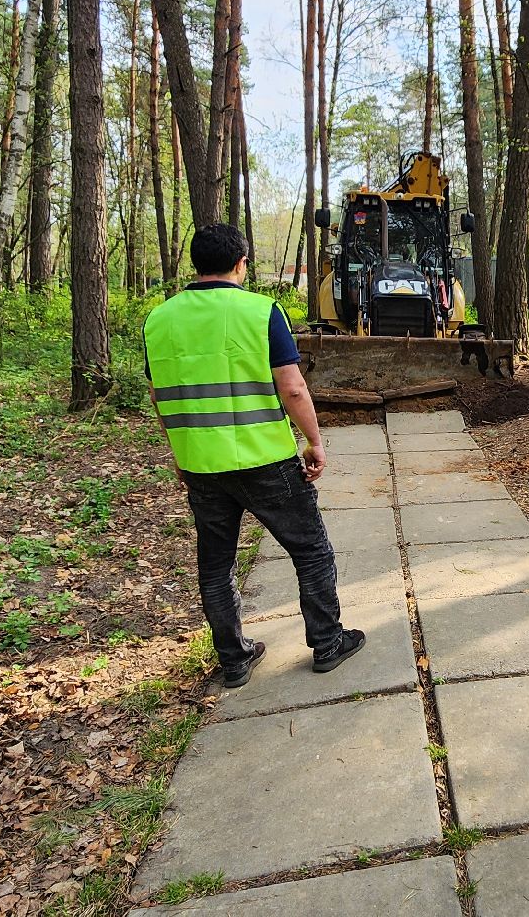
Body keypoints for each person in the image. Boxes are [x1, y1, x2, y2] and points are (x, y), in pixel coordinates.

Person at [144, 224, 365, 689]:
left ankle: (233, 659)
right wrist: (315, 441)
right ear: (242, 263)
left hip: (202, 467)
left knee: (217, 564)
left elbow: (159, 396)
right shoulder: (260, 311)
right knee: (310, 550)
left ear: (195, 264)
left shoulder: (159, 320)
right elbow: (291, 385)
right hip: (267, 461)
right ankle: (327, 643)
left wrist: (180, 455)